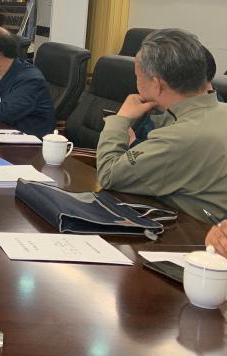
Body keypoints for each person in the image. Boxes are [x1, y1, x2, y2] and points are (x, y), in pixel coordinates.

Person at [96, 28, 227, 225]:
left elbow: (108, 175)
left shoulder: (179, 138)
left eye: (138, 77)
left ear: (157, 85)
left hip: (187, 235)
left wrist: (120, 119)